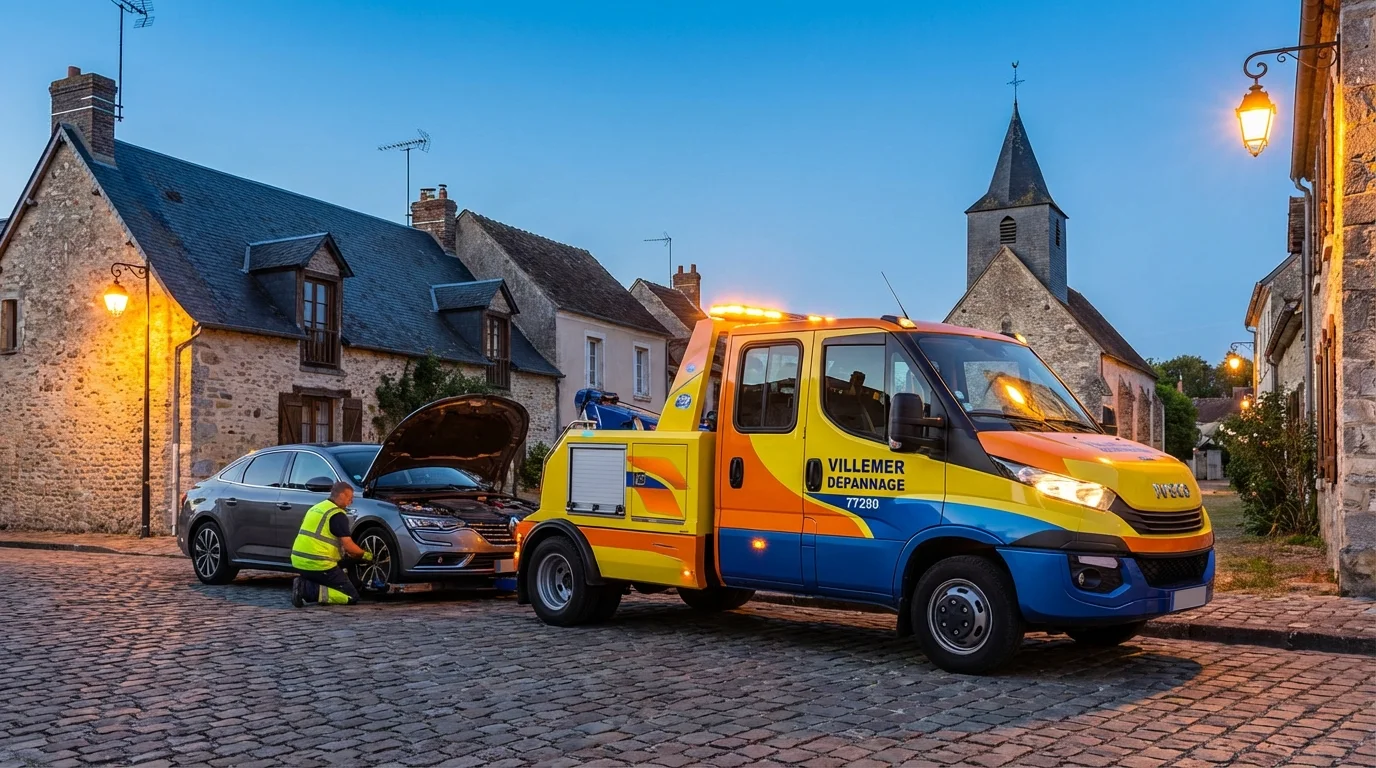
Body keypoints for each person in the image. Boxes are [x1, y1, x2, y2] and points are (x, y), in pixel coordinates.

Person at [290, 481, 372, 607]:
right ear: (341, 496)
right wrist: (366, 555)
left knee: (347, 561)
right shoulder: (337, 515)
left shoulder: (317, 508)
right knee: (351, 596)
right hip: (319, 563)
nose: (351, 502)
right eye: (350, 499)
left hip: (299, 561)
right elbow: (349, 547)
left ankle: (307, 582)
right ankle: (306, 589)